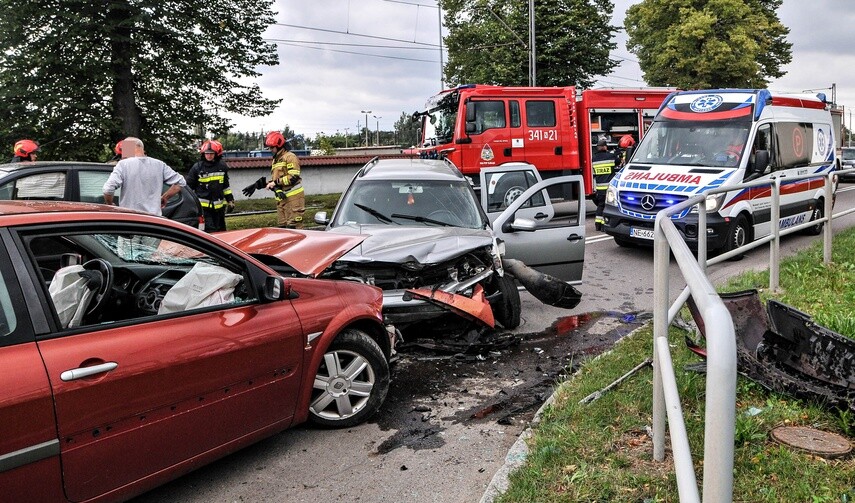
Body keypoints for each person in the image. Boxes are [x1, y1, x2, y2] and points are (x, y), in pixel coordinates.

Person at [102, 136, 187, 216]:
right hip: (154, 220)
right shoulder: (159, 165)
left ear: (128, 148)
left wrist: (110, 205)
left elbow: (108, 189)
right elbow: (180, 182)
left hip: (129, 218)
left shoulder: (123, 165)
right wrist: (165, 197)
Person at [187, 140, 234, 232]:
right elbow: (188, 187)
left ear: (217, 154)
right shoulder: (197, 168)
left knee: (221, 230)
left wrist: (230, 200)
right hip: (204, 208)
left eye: (211, 153)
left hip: (219, 208)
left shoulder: (222, 166)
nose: (209, 155)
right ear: (203, 154)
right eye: (207, 153)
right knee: (210, 231)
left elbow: (225, 186)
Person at [264, 131, 304, 229]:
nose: (270, 150)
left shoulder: (290, 157)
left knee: (294, 228)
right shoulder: (276, 159)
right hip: (282, 198)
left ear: (279, 146)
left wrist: (275, 183)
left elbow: (293, 177)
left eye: (272, 148)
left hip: (293, 198)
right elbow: (276, 178)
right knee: (282, 228)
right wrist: (273, 186)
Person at [592, 136, 620, 232]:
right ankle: (604, 225)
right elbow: (618, 162)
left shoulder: (594, 159)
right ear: (604, 147)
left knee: (600, 206)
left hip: (599, 188)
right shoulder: (610, 157)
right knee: (608, 207)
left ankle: (597, 224)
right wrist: (617, 153)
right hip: (608, 189)